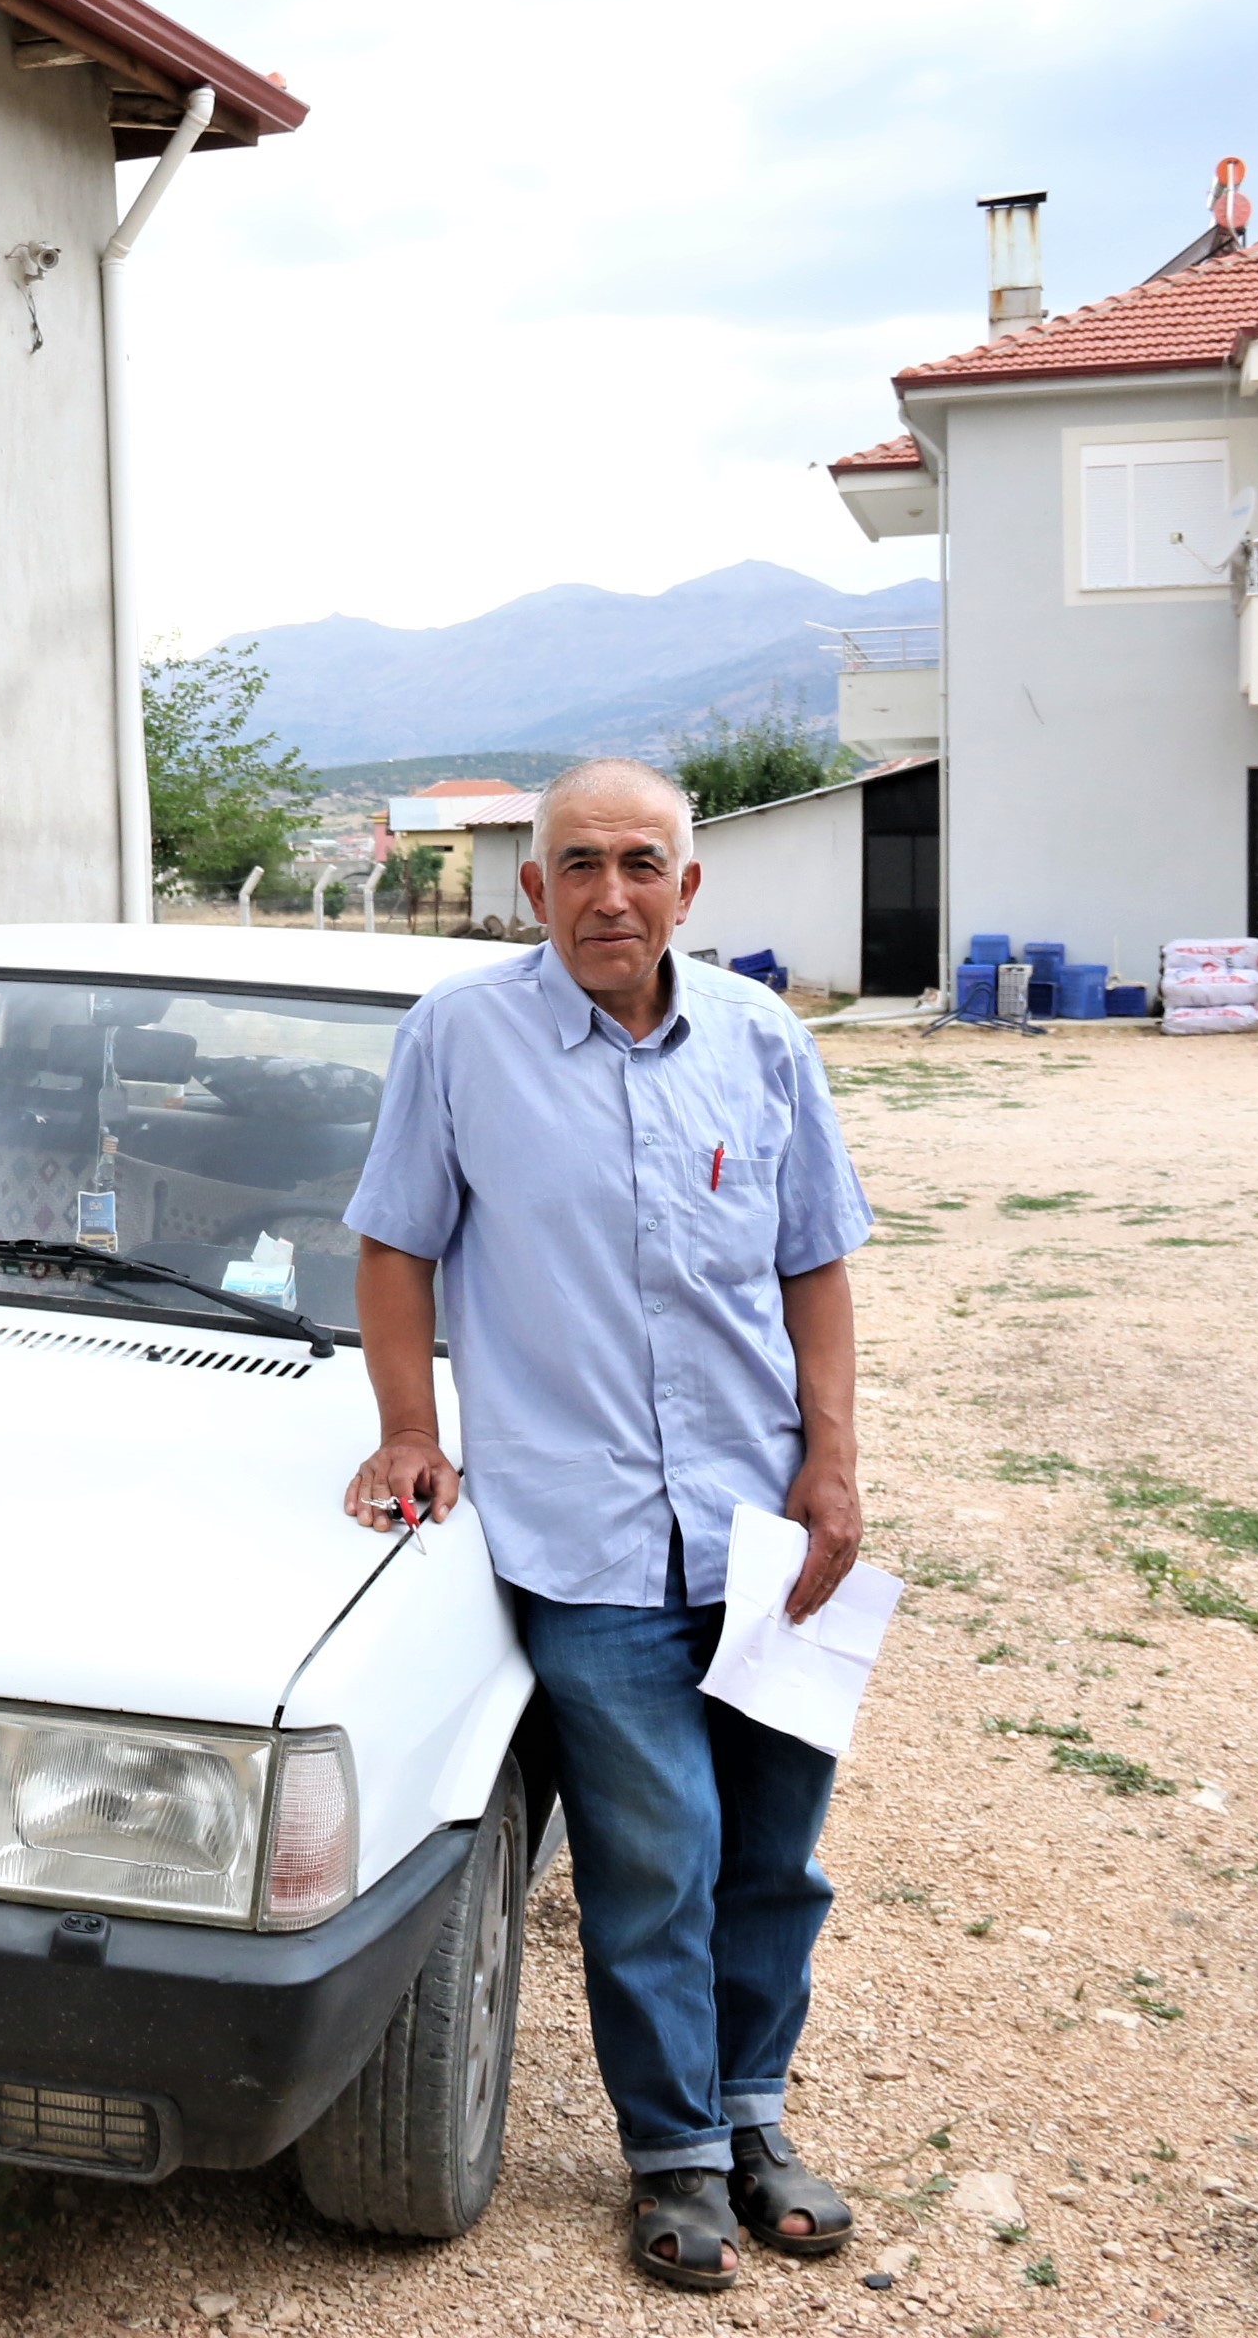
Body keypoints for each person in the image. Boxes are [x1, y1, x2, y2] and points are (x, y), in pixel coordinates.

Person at [339, 756, 872, 2295]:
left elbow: (817, 1265)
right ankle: (678, 2156)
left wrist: (834, 1460)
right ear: (535, 889)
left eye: (642, 863)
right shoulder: (462, 1041)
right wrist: (409, 1430)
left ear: (689, 892)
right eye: (578, 863)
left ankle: (757, 2117)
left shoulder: (766, 1045)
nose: (610, 892)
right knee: (660, 1851)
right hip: (580, 1538)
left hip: (765, 1534)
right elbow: (394, 1249)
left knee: (778, 1851)